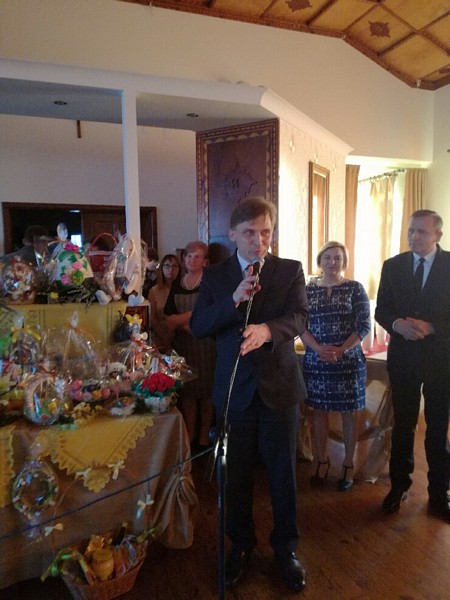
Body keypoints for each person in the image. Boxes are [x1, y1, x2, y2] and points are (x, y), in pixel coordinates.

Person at [190, 197, 308, 592]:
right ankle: (240, 545)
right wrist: (233, 300)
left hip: (280, 389)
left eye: (266, 232)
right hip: (233, 392)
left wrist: (268, 330)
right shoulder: (216, 276)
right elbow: (199, 325)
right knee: (235, 476)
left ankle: (286, 549)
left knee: (283, 475)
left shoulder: (289, 270)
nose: (259, 241)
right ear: (233, 234)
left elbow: (299, 317)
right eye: (250, 233)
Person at [375, 209, 450, 522]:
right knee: (403, 425)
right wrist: (397, 325)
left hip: (440, 361)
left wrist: (432, 328)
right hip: (403, 359)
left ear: (438, 235)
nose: (414, 237)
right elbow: (381, 311)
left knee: (437, 428)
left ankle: (439, 493)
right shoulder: (393, 266)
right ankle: (398, 487)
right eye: (411, 231)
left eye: (421, 231)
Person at [300, 241, 371, 491]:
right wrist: (318, 349)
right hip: (317, 360)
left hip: (348, 362)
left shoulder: (355, 288)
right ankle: (322, 461)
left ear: (344, 262)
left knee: (349, 414)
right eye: (328, 257)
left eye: (338, 258)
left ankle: (348, 464)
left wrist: (342, 350)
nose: (332, 262)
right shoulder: (307, 290)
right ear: (320, 261)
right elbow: (300, 325)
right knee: (318, 412)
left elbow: (364, 325)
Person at [164, 241, 215, 449]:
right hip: (184, 345)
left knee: (207, 392)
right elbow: (168, 317)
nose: (192, 260)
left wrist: (180, 320)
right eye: (188, 256)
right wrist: (188, 326)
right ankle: (190, 434)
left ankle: (204, 436)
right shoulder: (177, 284)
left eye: (197, 256)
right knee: (188, 391)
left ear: (205, 261)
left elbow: (209, 312)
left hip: (207, 346)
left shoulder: (211, 283)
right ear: (184, 259)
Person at [148, 253, 181, 351]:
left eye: (175, 266)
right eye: (167, 266)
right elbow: (152, 317)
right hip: (160, 338)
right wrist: (163, 335)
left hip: (181, 338)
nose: (171, 269)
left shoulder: (183, 289)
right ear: (161, 268)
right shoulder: (154, 291)